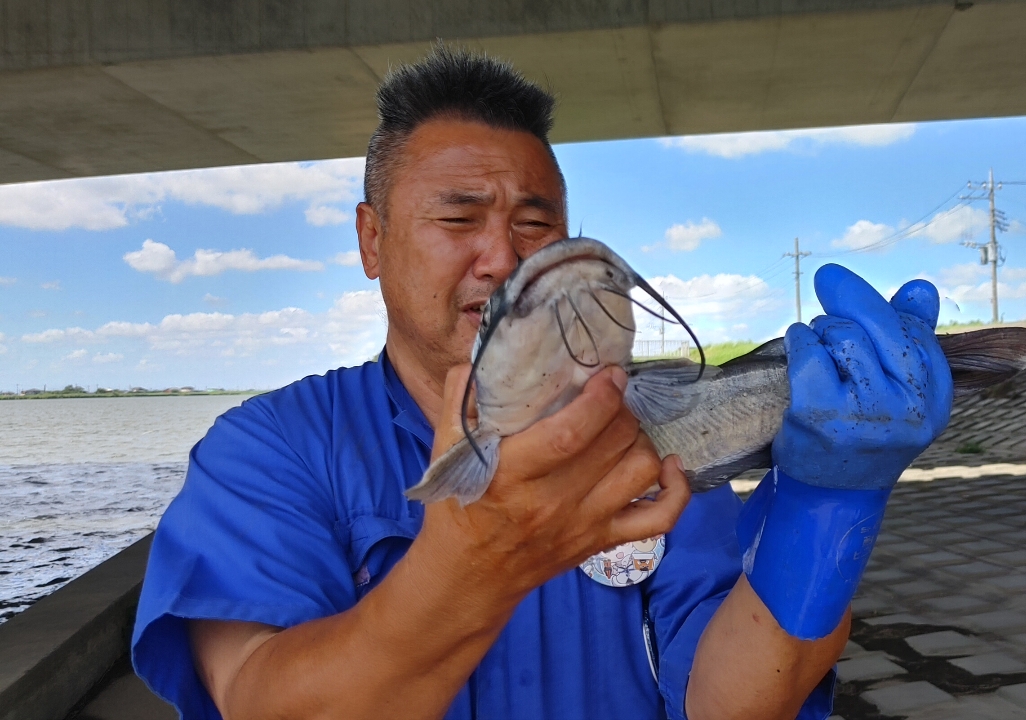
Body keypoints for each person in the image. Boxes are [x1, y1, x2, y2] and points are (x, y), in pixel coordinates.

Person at [132, 47, 952, 720]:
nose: (503, 256)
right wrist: (478, 563)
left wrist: (827, 511)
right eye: (458, 218)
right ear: (372, 240)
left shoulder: (635, 437)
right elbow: (258, 700)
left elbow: (732, 703)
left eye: (536, 224)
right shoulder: (268, 451)